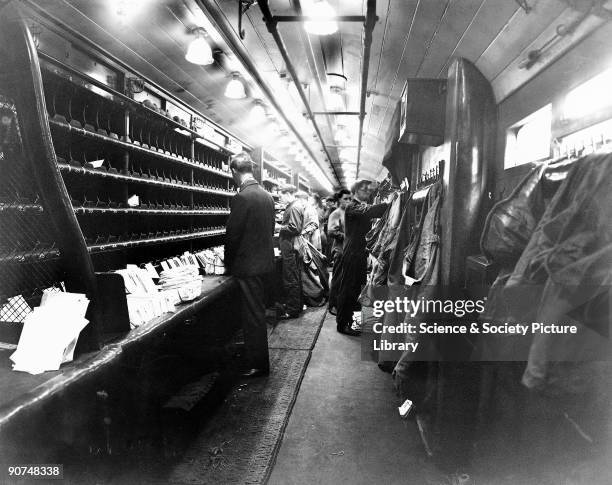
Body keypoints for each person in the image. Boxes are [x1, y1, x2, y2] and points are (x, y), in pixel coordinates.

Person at [225, 152, 275, 377]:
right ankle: (256, 360)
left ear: (234, 171)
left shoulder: (242, 197)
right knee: (257, 313)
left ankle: (258, 364)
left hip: (248, 267)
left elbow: (232, 236)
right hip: (264, 264)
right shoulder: (266, 196)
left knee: (252, 316)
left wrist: (227, 264)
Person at [336, 180, 388, 336]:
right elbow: (370, 211)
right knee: (348, 289)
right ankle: (342, 324)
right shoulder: (353, 206)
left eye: (368, 190)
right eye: (364, 190)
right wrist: (392, 202)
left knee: (354, 288)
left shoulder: (358, 205)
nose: (368, 192)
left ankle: (348, 321)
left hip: (358, 253)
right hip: (352, 253)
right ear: (356, 191)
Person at [277, 184, 305, 319]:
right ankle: (297, 306)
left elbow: (294, 228)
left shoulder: (294, 207)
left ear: (288, 193)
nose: (279, 198)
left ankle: (292, 310)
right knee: (295, 276)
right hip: (291, 247)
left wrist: (279, 227)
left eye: (280, 195)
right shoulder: (295, 205)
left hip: (290, 247)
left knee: (290, 278)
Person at [327, 189, 352, 315]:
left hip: (347, 250)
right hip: (340, 250)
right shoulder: (336, 213)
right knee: (338, 278)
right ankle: (333, 305)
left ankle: (341, 303)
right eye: (345, 199)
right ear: (339, 200)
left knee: (345, 279)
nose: (348, 201)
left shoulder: (348, 212)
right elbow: (331, 232)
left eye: (350, 199)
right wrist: (347, 236)